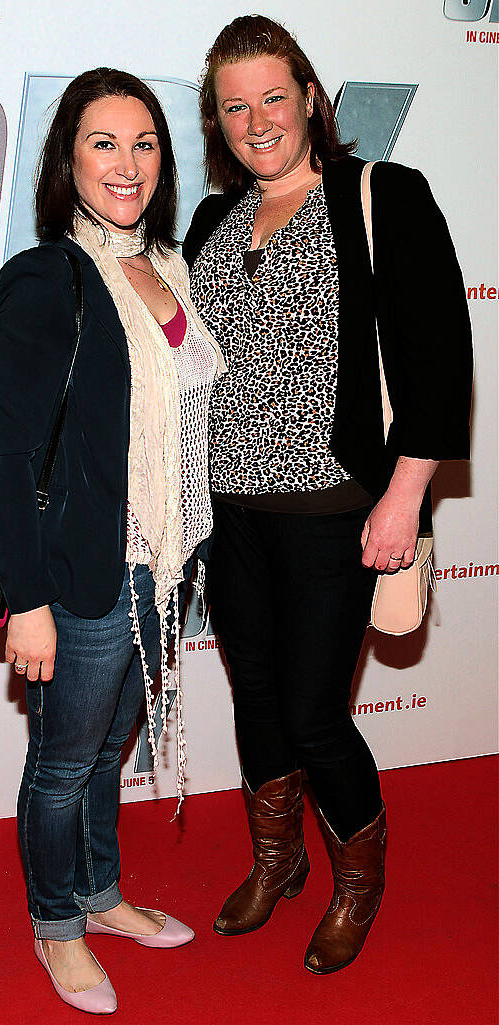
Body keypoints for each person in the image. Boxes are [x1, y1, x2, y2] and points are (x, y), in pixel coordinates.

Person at [183, 15, 472, 974]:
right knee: (256, 698)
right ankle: (279, 862)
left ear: (310, 96)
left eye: (274, 96)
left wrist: (405, 495)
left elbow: (438, 358)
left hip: (336, 510)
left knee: (314, 712)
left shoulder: (381, 195)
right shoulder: (211, 222)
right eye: (235, 107)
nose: (257, 120)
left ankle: (359, 882)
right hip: (230, 511)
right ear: (216, 122)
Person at [0, 68, 225, 1014]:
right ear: (68, 159)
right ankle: (58, 926)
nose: (127, 164)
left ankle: (101, 892)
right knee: (63, 761)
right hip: (85, 575)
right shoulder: (47, 277)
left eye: (145, 143)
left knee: (108, 747)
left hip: (163, 566)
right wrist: (29, 598)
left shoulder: (170, 267)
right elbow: (6, 454)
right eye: (104, 143)